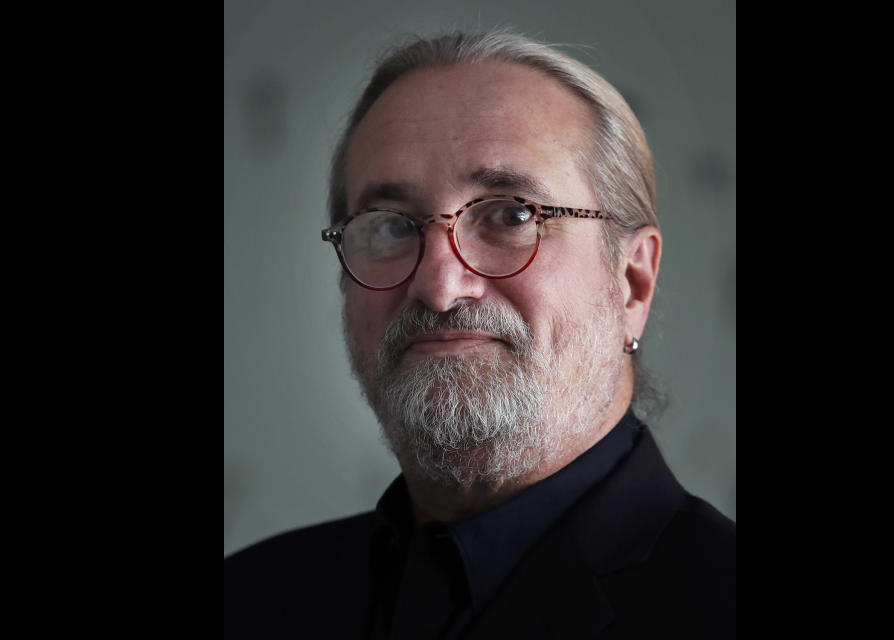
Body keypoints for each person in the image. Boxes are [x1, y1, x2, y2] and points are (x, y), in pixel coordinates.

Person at [224, 30, 735, 639]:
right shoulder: (247, 601)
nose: (440, 287)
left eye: (512, 214)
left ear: (631, 283)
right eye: (390, 226)